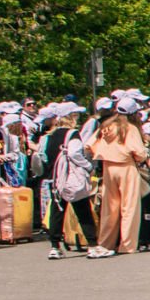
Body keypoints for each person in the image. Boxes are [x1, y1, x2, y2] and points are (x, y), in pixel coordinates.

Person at [88, 107, 149, 257]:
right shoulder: (130, 128)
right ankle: (127, 245)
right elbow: (140, 153)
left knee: (109, 208)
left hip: (108, 167)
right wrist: (139, 158)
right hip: (126, 166)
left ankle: (105, 243)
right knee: (130, 207)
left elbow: (89, 145)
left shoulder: (106, 126)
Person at [42, 109, 100, 258]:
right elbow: (74, 154)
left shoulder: (50, 136)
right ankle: (92, 245)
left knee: (57, 211)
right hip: (71, 178)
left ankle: (54, 246)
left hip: (56, 178)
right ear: (71, 118)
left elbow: (43, 156)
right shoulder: (72, 134)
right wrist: (88, 166)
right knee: (83, 210)